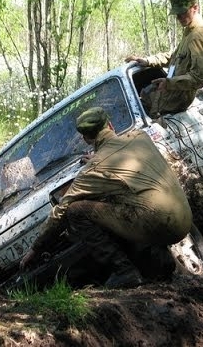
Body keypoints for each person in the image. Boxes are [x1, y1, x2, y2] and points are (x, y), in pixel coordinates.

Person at [19, 107, 193, 288]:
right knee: (128, 197)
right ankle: (160, 260)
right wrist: (99, 159)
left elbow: (61, 210)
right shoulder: (140, 137)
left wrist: (35, 248)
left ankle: (124, 271)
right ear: (110, 125)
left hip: (157, 223)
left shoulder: (94, 168)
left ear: (86, 139)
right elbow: (121, 161)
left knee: (76, 211)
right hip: (185, 220)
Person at [125, 0, 203, 119]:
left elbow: (199, 79)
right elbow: (175, 57)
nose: (179, 18)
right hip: (175, 89)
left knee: (142, 106)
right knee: (144, 93)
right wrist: (147, 60)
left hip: (180, 96)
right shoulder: (190, 30)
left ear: (195, 8)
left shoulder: (198, 35)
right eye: (177, 14)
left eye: (183, 13)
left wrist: (169, 83)